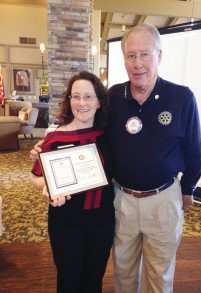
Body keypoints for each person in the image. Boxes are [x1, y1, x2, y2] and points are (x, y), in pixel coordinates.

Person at [30, 24, 201, 293]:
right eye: (130, 55)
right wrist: (50, 144)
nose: (137, 64)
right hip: (121, 201)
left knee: (159, 276)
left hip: (163, 200)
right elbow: (87, 127)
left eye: (145, 54)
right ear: (123, 59)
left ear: (160, 55)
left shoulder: (182, 98)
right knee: (123, 272)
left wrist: (188, 188)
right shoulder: (113, 98)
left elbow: (194, 149)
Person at [30, 71, 115, 293]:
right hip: (66, 223)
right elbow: (35, 176)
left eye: (88, 96)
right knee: (68, 281)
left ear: (98, 101)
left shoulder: (108, 135)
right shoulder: (55, 138)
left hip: (102, 222)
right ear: (69, 100)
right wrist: (48, 187)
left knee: (94, 280)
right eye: (75, 96)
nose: (81, 103)